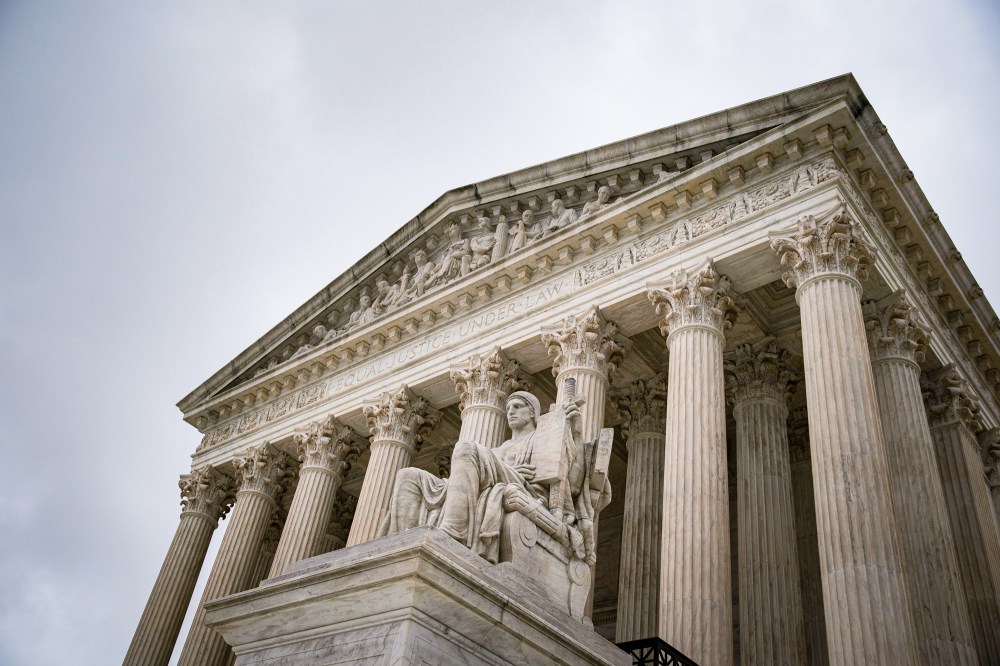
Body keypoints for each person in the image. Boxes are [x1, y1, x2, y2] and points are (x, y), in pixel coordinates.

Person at [382, 391, 583, 563]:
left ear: (532, 412)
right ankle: (402, 546)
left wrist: (575, 433)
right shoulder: (499, 449)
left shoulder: (541, 440)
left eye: (517, 406)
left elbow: (571, 483)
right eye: (508, 407)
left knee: (466, 448)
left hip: (525, 486)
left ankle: (454, 532)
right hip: (495, 479)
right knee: (408, 476)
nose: (510, 411)